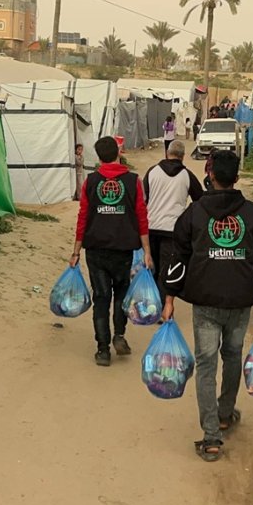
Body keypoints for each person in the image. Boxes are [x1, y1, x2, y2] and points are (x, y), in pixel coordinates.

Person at [163, 150, 253, 461]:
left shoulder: (194, 214)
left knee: (205, 366)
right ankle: (225, 413)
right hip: (241, 301)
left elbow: (179, 259)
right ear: (237, 178)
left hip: (205, 302)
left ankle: (212, 437)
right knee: (232, 357)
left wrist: (170, 299)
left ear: (211, 176)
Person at [70, 136, 153, 366]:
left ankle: (103, 350)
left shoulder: (91, 181)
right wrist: (147, 251)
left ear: (98, 157)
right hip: (123, 249)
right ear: (118, 152)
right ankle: (119, 335)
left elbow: (83, 218)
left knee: (101, 298)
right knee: (121, 294)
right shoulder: (133, 181)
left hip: (95, 249)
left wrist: (76, 251)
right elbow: (141, 217)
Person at [143, 140, 203, 285]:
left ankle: (151, 303)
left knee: (150, 270)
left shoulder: (152, 172)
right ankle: (163, 305)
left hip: (151, 228)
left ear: (167, 153)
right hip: (173, 231)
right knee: (166, 272)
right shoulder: (187, 175)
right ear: (182, 157)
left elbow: (143, 200)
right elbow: (200, 201)